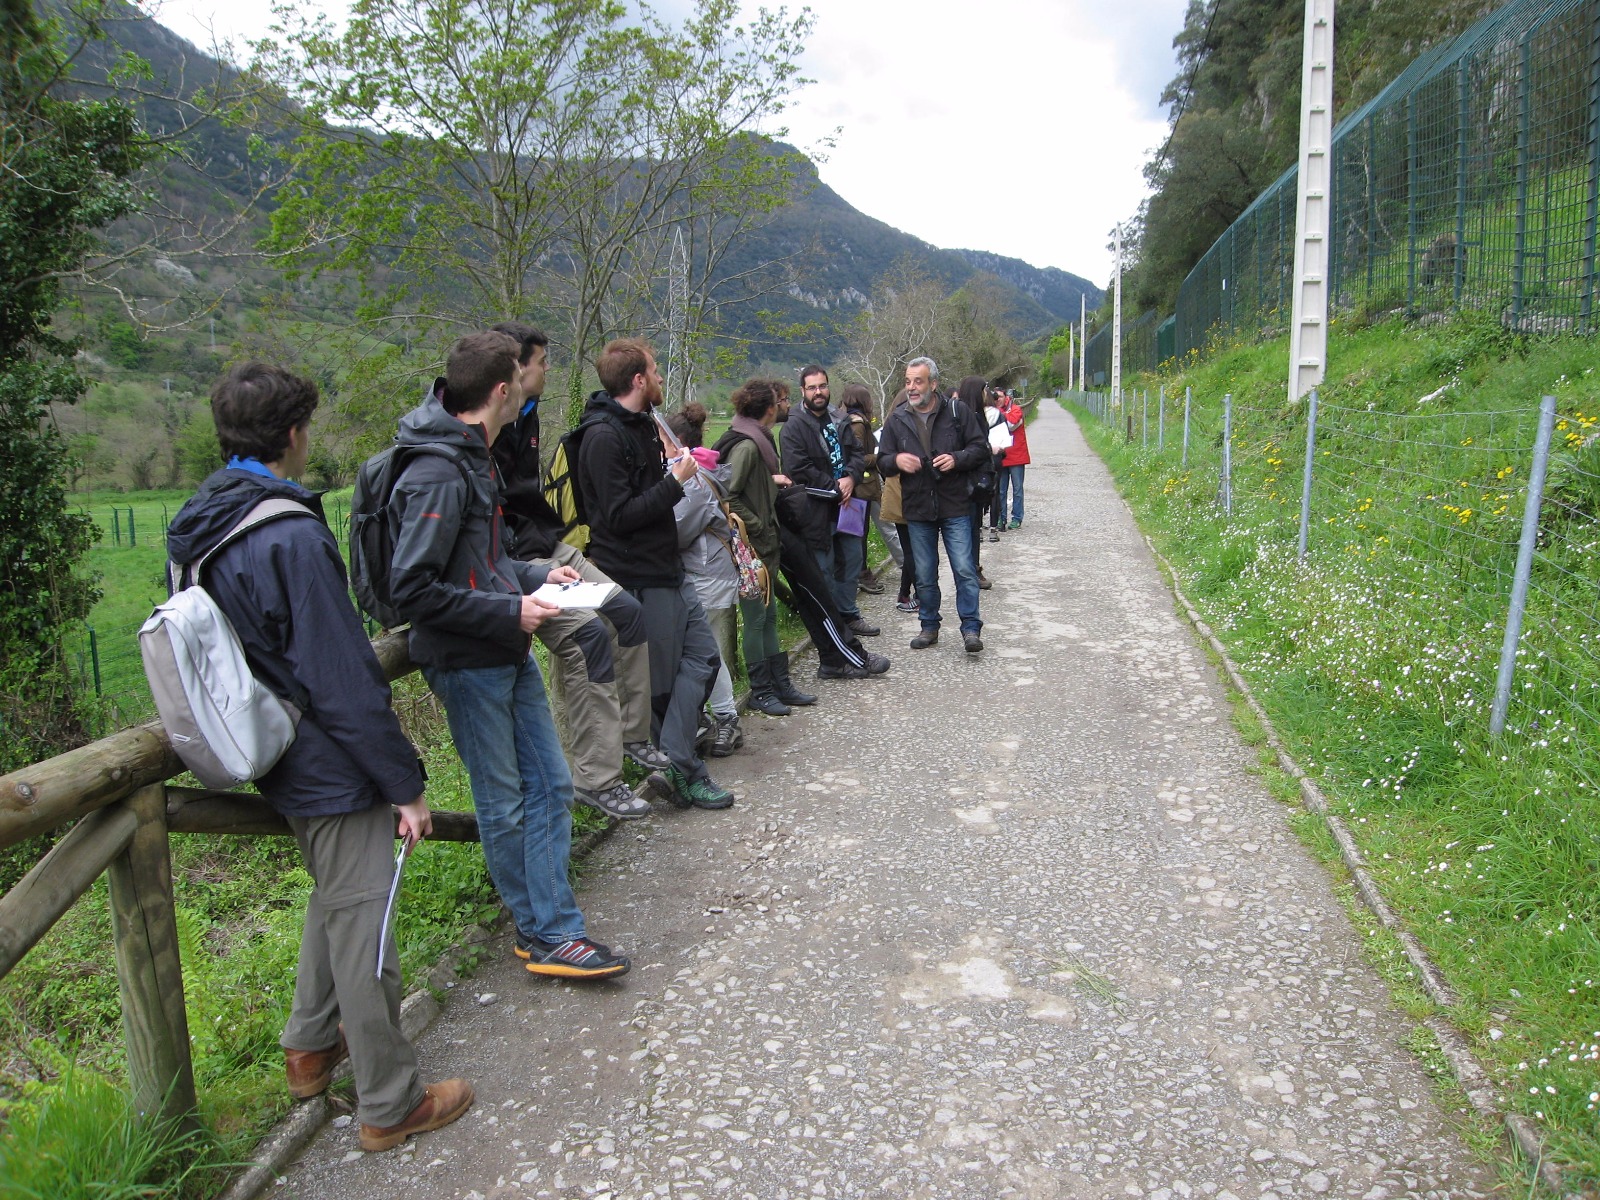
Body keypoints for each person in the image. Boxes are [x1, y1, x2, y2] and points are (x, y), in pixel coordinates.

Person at [166, 362, 473, 1152]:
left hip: (266, 745)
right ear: (295, 433)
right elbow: (342, 676)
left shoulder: (200, 518)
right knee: (365, 928)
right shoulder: (288, 532)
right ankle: (391, 1102)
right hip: (326, 757)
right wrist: (404, 783)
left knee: (338, 898)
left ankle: (308, 1048)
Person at [389, 331, 631, 980]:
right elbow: (412, 587)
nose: (532, 380)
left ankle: (548, 928)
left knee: (551, 784)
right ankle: (547, 932)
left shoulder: (477, 456)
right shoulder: (438, 469)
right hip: (467, 661)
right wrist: (508, 607)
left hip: (506, 642)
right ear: (503, 389)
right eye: (523, 377)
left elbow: (483, 564)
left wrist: (532, 581)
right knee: (504, 802)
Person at [485, 322, 666, 822]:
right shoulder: (482, 426)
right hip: (519, 561)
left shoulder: (525, 415)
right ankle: (595, 777)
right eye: (542, 361)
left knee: (627, 613)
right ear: (516, 369)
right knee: (588, 639)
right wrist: (527, 569)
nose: (548, 369)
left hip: (550, 544)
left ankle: (631, 736)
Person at [575, 338, 735, 810]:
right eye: (656, 371)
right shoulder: (602, 437)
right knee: (662, 683)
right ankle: (686, 774)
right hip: (639, 576)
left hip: (669, 569)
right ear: (638, 380)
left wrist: (670, 476)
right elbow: (619, 516)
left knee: (705, 660)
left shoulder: (643, 425)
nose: (662, 378)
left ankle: (672, 757)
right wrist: (676, 481)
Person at [714, 378, 821, 711]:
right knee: (757, 619)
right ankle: (762, 691)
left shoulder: (757, 440)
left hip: (764, 545)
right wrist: (758, 525)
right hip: (751, 547)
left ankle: (781, 684)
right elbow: (729, 495)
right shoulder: (747, 446)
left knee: (769, 616)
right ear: (770, 408)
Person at [876, 357, 989, 653]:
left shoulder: (957, 411)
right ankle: (929, 626)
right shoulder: (897, 419)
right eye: (908, 382)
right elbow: (882, 461)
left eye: (919, 381)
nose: (912, 388)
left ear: (933, 384)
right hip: (917, 508)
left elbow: (980, 448)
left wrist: (957, 458)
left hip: (955, 505)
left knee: (964, 569)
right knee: (924, 573)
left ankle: (971, 629)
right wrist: (896, 461)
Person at [665, 403, 746, 755]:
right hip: (704, 573)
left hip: (707, 574)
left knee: (706, 651)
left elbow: (676, 533)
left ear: (677, 442)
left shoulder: (694, 482)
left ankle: (726, 718)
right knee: (700, 651)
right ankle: (709, 718)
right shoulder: (696, 473)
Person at [780, 365, 879, 638]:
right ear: (803, 391)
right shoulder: (793, 425)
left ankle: (849, 614)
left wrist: (851, 478)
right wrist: (835, 486)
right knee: (823, 567)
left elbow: (858, 454)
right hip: (815, 508)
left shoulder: (840, 418)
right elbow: (797, 467)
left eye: (822, 386)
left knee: (852, 558)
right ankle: (831, 622)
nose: (818, 392)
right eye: (812, 387)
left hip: (849, 504)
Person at [838, 384, 894, 596]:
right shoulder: (858, 424)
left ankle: (858, 573)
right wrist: (879, 457)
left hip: (856, 485)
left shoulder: (844, 418)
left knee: (856, 532)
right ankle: (861, 574)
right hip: (861, 486)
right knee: (858, 533)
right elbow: (857, 457)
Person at [879, 388, 919, 614]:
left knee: (910, 548)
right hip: (904, 494)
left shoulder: (888, 426)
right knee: (914, 550)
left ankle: (905, 594)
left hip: (896, 492)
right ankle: (916, 594)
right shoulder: (900, 427)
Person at [997, 389, 1030, 529]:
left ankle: (1017, 517)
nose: (997, 399)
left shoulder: (1016, 410)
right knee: (1000, 490)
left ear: (1006, 397)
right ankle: (1000, 517)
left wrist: (998, 415)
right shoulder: (996, 410)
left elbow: (1011, 425)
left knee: (1017, 489)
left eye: (999, 396)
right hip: (1001, 456)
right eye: (995, 397)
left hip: (1016, 456)